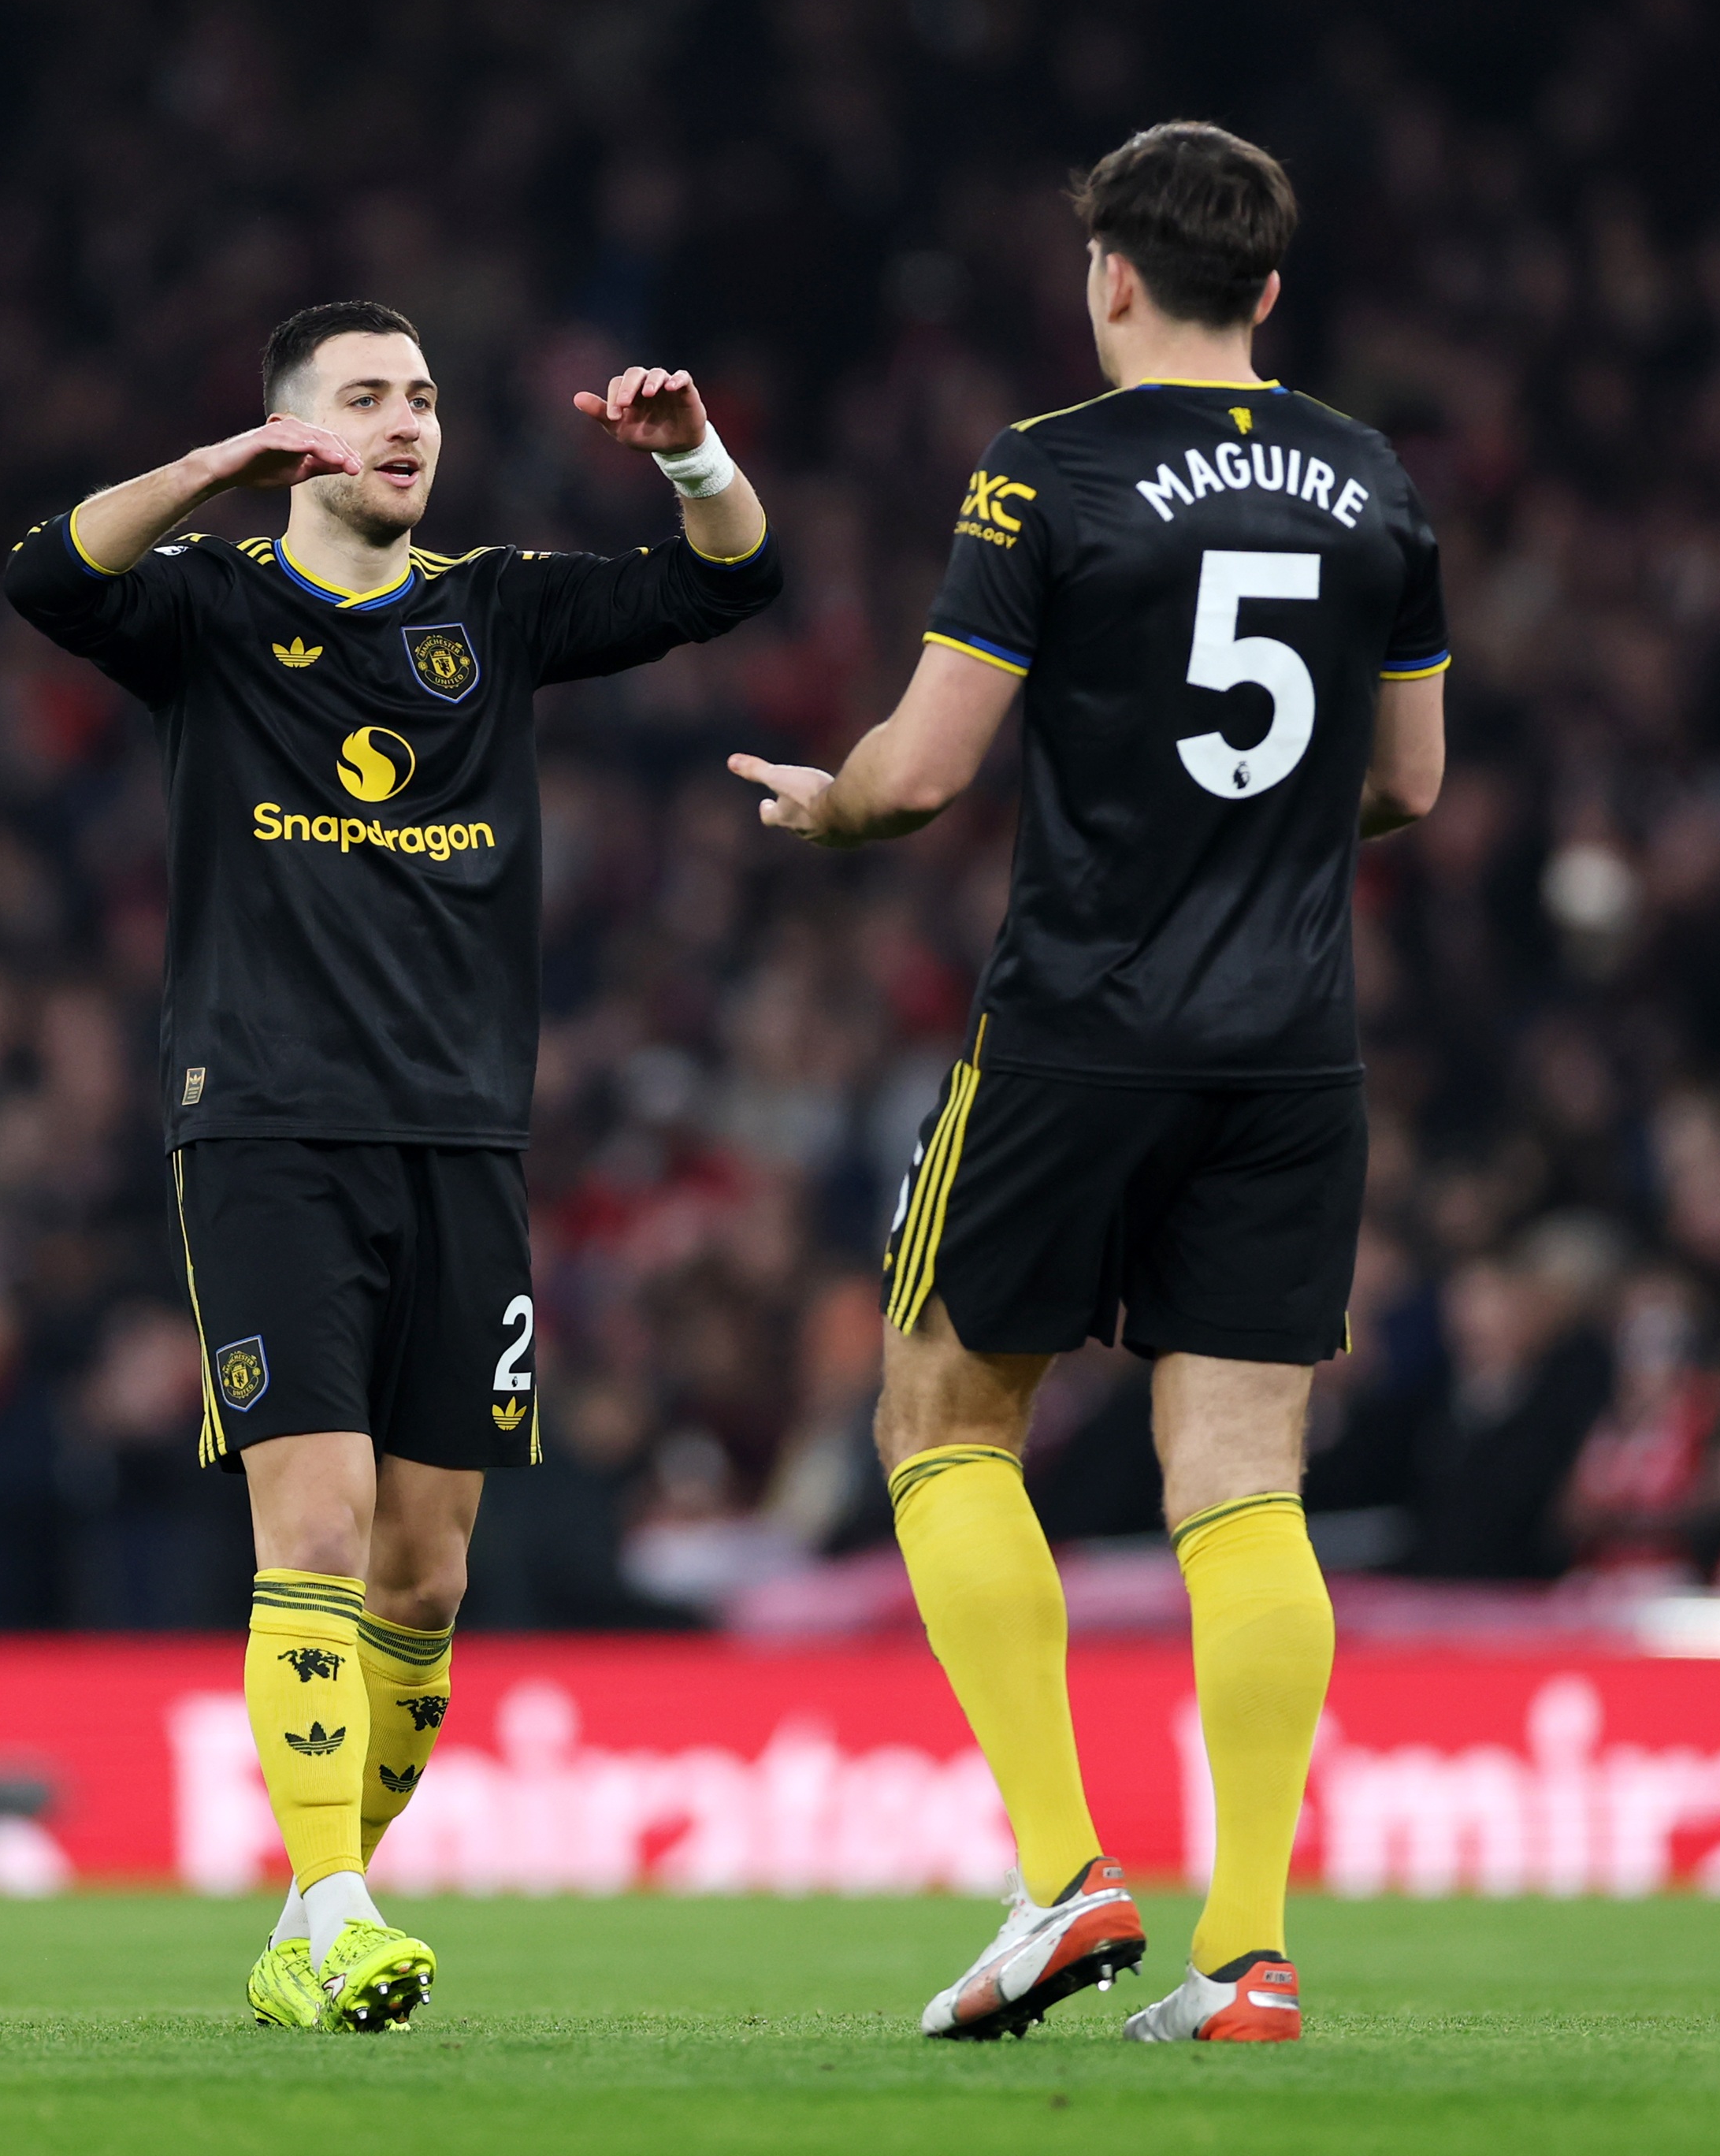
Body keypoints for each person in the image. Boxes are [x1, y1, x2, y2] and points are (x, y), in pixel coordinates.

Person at [732, 122, 1445, 2044]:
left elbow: (925, 769)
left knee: (940, 1413)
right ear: (1268, 290)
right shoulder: (1374, 480)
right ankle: (1252, 1948)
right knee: (1245, 1477)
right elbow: (1409, 780)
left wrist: (831, 807)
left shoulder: (1045, 468)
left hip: (1077, 1026)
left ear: (1110, 276)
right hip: (1293, 1043)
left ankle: (1062, 1872)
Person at [6, 301, 777, 2031]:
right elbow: (44, 574)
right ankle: (345, 1908)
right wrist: (213, 471)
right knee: (322, 1523)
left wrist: (694, 461)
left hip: (466, 1137)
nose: (408, 423)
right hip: (267, 1126)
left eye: (422, 396)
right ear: (293, 433)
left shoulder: (491, 607)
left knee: (426, 1576)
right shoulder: (209, 608)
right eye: (365, 398)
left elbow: (733, 580)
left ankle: (313, 1909)